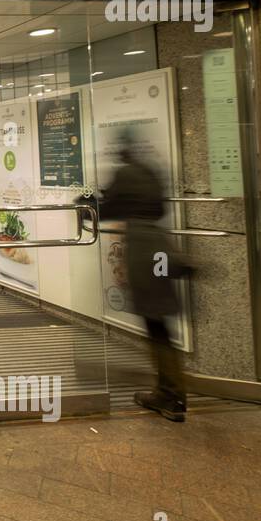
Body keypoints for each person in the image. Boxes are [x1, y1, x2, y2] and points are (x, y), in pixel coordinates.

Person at [97, 130, 190, 422]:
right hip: (159, 248)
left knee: (156, 323)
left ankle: (170, 395)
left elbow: (107, 208)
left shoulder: (124, 173)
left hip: (140, 249)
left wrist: (86, 202)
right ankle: (169, 391)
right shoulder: (150, 170)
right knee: (159, 320)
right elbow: (161, 208)